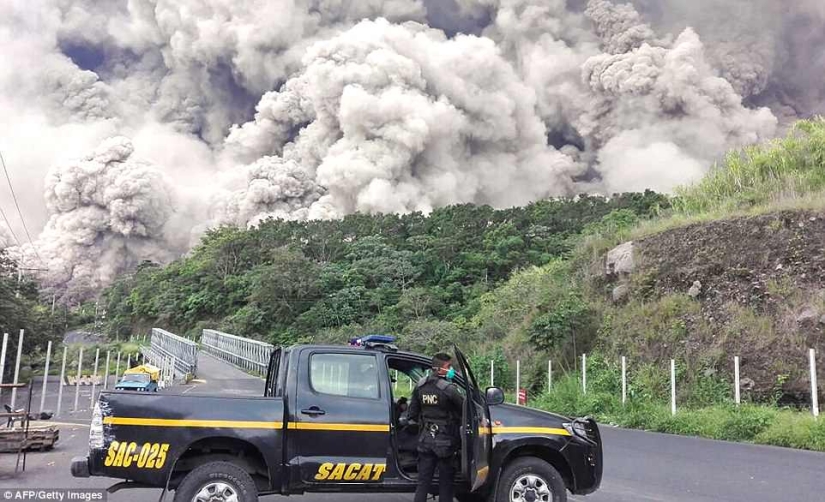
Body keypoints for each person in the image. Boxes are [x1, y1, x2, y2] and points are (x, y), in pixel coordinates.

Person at [401, 353, 465, 502]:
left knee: (423, 483)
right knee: (446, 483)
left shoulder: (420, 386)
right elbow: (464, 409)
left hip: (426, 441)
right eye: (449, 367)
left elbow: (412, 414)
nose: (451, 370)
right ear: (439, 369)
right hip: (445, 443)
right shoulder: (449, 389)